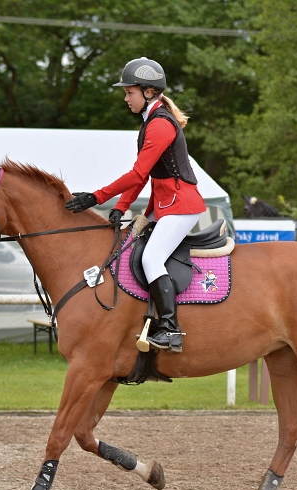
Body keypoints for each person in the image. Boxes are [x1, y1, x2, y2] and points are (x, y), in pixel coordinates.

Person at [64, 57, 206, 353]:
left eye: (129, 92)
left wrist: (96, 197)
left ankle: (170, 329)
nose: (126, 98)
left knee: (151, 259)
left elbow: (139, 174)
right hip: (166, 203)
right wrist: (121, 206)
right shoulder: (151, 121)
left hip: (181, 204)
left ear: (149, 92)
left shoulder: (160, 125)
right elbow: (144, 176)